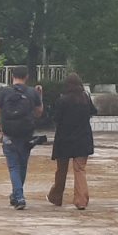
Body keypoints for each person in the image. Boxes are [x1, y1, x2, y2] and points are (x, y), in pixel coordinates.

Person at [0, 68, 42, 210]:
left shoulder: (4, 92)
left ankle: (19, 197)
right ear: (26, 77)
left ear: (12, 76)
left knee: (14, 166)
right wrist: (40, 96)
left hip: (9, 134)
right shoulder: (32, 92)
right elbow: (39, 113)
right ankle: (16, 195)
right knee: (22, 165)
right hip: (26, 134)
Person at [46, 72, 95, 210]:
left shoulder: (62, 100)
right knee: (80, 170)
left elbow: (56, 118)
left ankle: (56, 197)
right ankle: (81, 200)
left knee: (61, 171)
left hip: (64, 139)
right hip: (83, 138)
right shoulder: (85, 98)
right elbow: (93, 112)